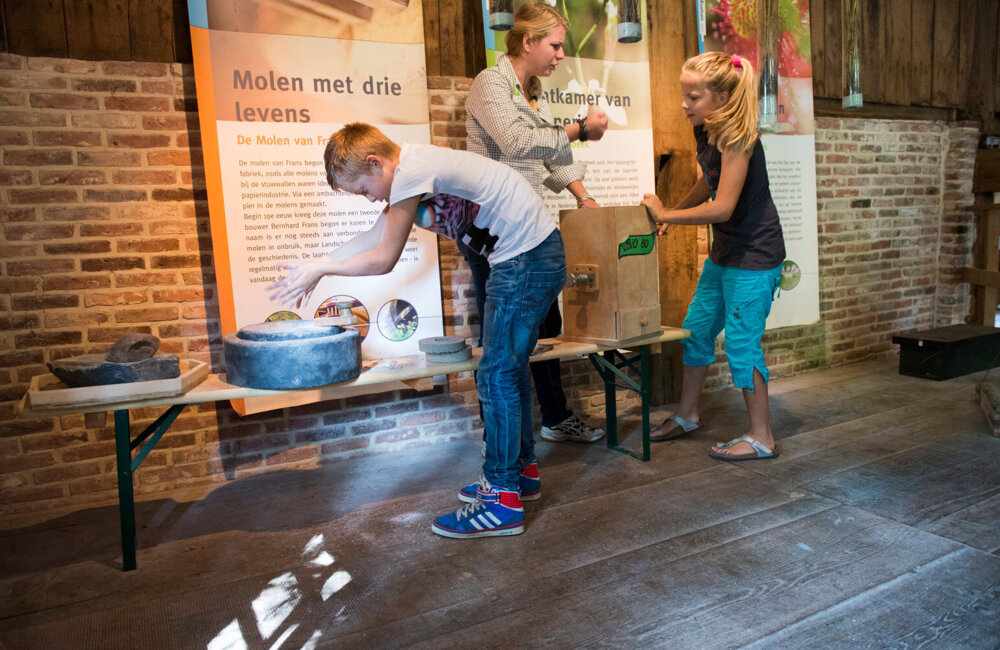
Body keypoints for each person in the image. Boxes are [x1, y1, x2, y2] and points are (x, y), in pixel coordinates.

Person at [268, 123, 566, 537]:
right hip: (526, 259)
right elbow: (373, 236)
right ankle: (520, 476)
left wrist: (323, 268)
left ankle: (501, 499)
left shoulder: (411, 169)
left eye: (363, 189)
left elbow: (383, 258)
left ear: (376, 162)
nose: (370, 198)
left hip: (525, 261)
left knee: (497, 374)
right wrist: (315, 266)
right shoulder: (412, 168)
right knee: (506, 371)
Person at [464, 0, 608, 445]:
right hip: (491, 233)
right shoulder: (490, 83)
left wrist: (584, 198)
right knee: (501, 337)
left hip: (529, 233)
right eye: (555, 45)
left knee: (547, 329)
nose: (561, 55)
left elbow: (547, 155)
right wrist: (579, 129)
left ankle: (555, 417)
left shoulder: (532, 92)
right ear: (527, 41)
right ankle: (499, 434)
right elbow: (517, 141)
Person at [640, 52, 786, 461]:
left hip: (755, 257)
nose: (685, 104)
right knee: (697, 329)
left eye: (694, 96)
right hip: (727, 253)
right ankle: (687, 414)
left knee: (741, 344)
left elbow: (723, 207)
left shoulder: (739, 138)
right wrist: (675, 210)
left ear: (721, 98)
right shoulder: (706, 130)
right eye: (684, 95)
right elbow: (709, 180)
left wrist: (668, 214)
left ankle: (762, 437)